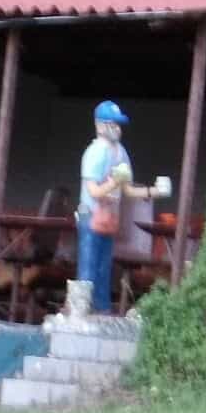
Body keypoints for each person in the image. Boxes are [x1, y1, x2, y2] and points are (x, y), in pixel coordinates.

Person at [77, 100, 170, 314]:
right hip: (91, 216)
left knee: (104, 267)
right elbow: (93, 191)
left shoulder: (120, 152)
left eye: (118, 125)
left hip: (109, 218)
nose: (116, 129)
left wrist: (153, 191)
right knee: (88, 266)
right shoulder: (94, 152)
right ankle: (82, 309)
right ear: (100, 126)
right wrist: (114, 182)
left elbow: (127, 190)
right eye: (112, 124)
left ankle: (102, 309)